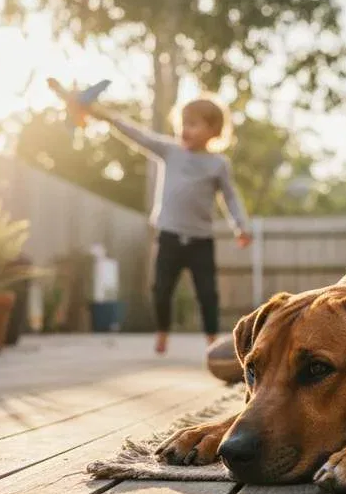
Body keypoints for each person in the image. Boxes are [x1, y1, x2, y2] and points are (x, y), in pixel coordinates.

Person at [75, 89, 252, 355]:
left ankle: (212, 338)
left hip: (200, 239)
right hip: (169, 235)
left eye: (193, 124)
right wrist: (103, 115)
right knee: (161, 289)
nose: (185, 130)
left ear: (213, 130)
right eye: (183, 123)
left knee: (207, 293)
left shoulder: (218, 164)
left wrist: (241, 225)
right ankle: (162, 332)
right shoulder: (170, 151)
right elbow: (137, 134)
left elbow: (231, 198)